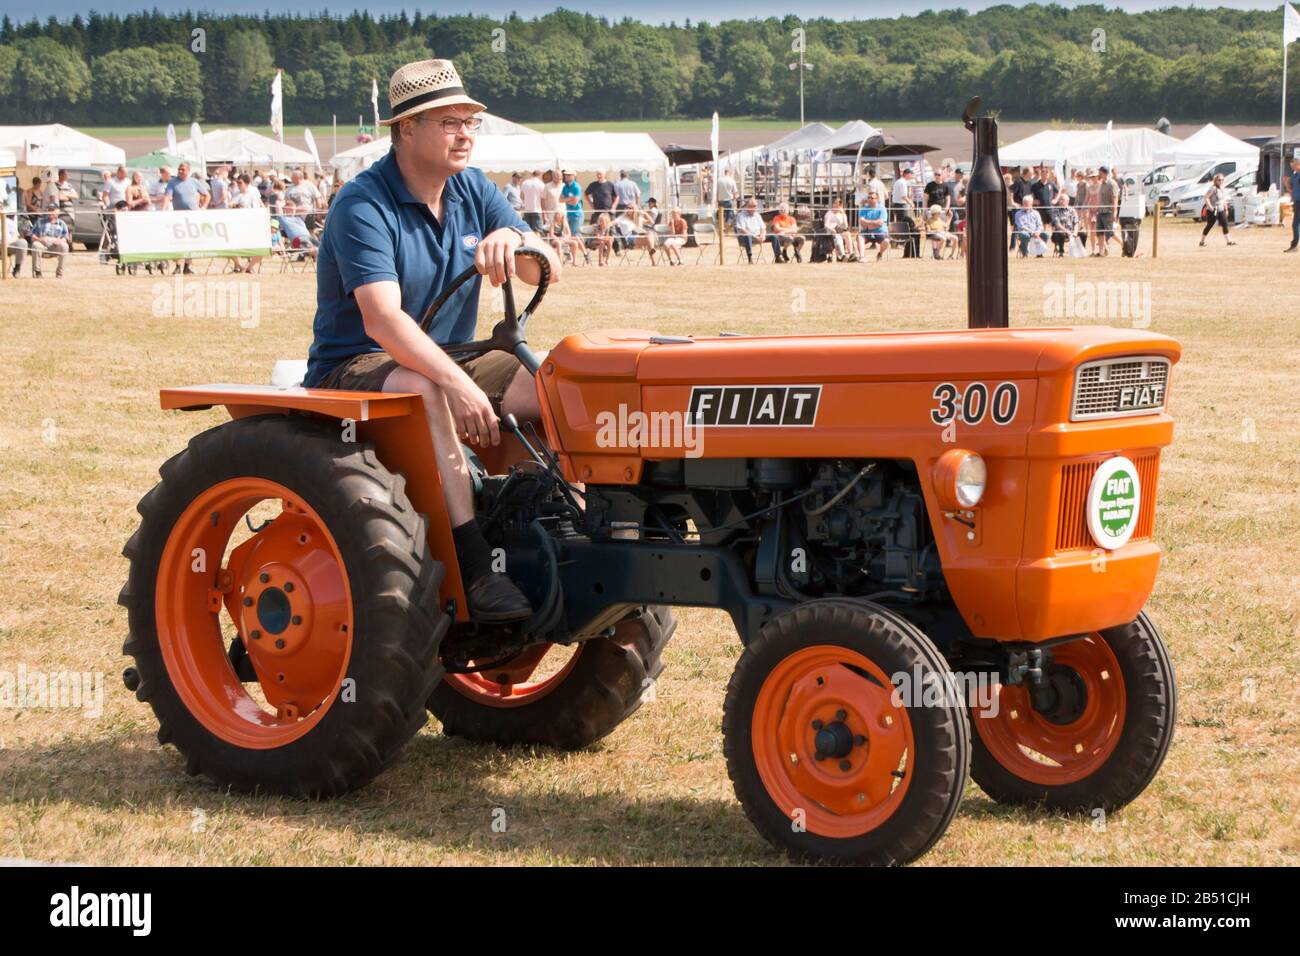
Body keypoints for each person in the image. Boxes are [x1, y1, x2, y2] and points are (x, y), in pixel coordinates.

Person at [304, 58, 562, 622]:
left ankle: (568, 524)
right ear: (406, 129)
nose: (465, 133)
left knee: (556, 381)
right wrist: (456, 386)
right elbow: (383, 322)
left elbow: (545, 266)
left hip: (450, 359)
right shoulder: (363, 204)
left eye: (469, 121)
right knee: (426, 386)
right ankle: (472, 565)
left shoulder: (472, 189)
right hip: (359, 363)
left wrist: (515, 237)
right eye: (448, 122)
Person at [165, 162, 211, 274]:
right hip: (178, 216)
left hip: (192, 217)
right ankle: (177, 266)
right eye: (179, 169)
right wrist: (163, 210)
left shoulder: (194, 182)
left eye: (182, 169)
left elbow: (207, 195)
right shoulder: (172, 182)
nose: (180, 171)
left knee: (190, 242)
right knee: (177, 242)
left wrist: (204, 207)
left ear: (188, 171)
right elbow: (167, 196)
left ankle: (187, 266)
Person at [29, 205, 70, 278]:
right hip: (42, 244)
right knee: (36, 245)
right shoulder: (40, 222)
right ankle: (37, 272)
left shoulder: (62, 223)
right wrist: (40, 240)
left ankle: (59, 272)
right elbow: (32, 234)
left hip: (55, 246)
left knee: (65, 246)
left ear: (58, 212)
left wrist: (60, 241)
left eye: (53, 210)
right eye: (50, 210)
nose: (51, 212)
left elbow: (66, 236)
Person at [1199, 172, 1236, 247]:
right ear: (1215, 180)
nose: (1221, 181)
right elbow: (1206, 197)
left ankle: (1229, 241)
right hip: (1214, 210)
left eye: (1222, 180)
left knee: (1225, 224)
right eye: (1219, 180)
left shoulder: (1221, 188)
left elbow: (1223, 199)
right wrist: (1210, 207)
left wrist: (1226, 209)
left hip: (1221, 209)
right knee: (1210, 225)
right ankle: (1202, 242)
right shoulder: (1213, 188)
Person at [857, 193, 891, 261]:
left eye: (872, 198)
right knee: (859, 237)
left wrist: (868, 223)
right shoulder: (864, 209)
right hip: (867, 231)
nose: (869, 199)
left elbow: (880, 223)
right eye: (868, 198)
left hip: (880, 232)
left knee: (886, 241)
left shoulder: (882, 209)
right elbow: (862, 222)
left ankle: (880, 253)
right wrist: (874, 223)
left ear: (877, 199)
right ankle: (862, 257)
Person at [734, 198, 766, 263]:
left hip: (758, 236)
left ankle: (778, 256)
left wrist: (763, 235)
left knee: (774, 237)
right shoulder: (741, 215)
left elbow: (763, 227)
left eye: (756, 206)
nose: (755, 208)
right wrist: (755, 237)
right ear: (747, 206)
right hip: (744, 238)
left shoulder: (757, 215)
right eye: (753, 206)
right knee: (747, 236)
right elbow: (742, 230)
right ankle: (750, 258)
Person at [823, 198, 855, 262]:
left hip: (839, 231)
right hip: (830, 231)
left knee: (848, 234)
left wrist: (843, 214)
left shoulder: (841, 214)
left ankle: (851, 254)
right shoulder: (829, 213)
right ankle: (841, 255)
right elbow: (826, 225)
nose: (835, 205)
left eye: (838, 204)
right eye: (834, 203)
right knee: (838, 237)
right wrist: (832, 229)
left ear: (841, 206)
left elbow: (846, 226)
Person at [1049, 191, 1080, 257]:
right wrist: (1067, 231)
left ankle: (1080, 252)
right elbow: (1057, 224)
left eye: (1062, 199)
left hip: (1072, 232)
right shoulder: (1055, 210)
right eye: (1060, 199)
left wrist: (1075, 232)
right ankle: (1061, 252)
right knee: (1061, 233)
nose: (1061, 201)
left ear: (1068, 201)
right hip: (1059, 232)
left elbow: (1076, 222)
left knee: (1083, 234)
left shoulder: (1072, 210)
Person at [559, 169, 583, 240]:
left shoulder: (576, 187)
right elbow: (560, 200)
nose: (566, 176)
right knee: (571, 234)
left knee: (574, 235)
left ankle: (583, 250)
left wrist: (566, 200)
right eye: (566, 175)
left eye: (569, 175)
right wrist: (570, 198)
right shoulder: (565, 187)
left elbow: (575, 202)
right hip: (569, 214)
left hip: (577, 214)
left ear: (573, 176)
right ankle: (584, 250)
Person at [1285, 157, 1300, 252]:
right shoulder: (1294, 176)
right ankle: (1294, 245)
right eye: (1292, 167)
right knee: (1296, 224)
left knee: (1295, 224)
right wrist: (1286, 184)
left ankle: (1294, 246)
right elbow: (1292, 191)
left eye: (1293, 166)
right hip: (1297, 202)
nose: (1292, 168)